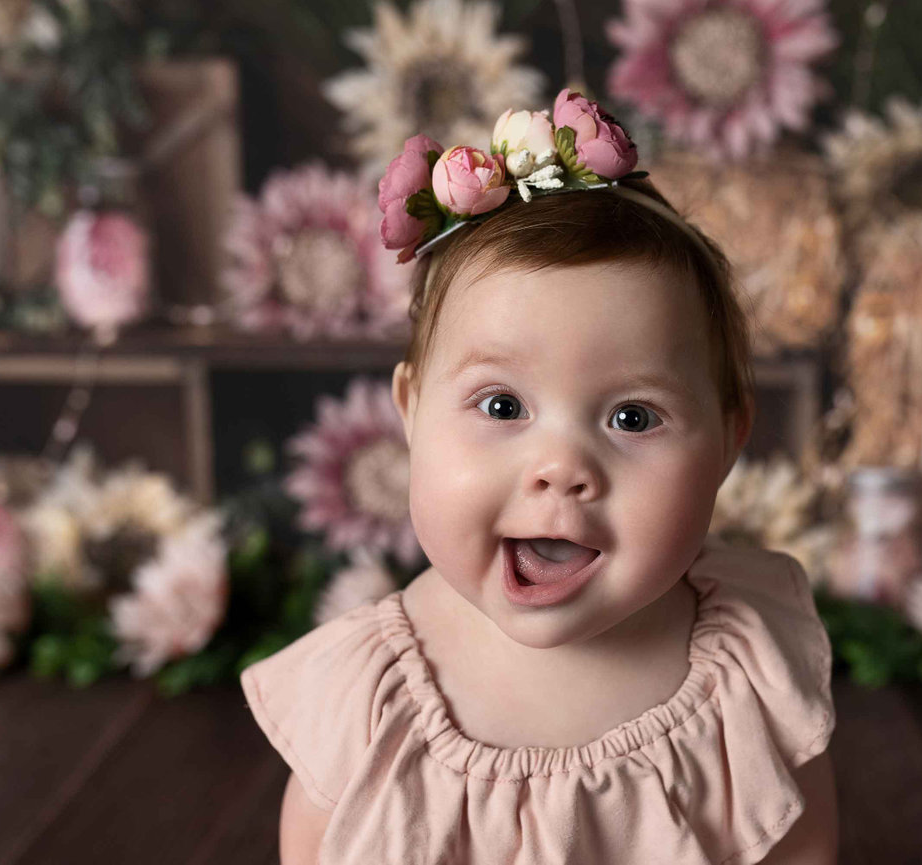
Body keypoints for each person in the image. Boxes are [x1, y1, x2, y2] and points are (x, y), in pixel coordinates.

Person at [241, 88, 838, 865]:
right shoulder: (371, 695)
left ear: (729, 441)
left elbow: (800, 844)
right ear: (411, 411)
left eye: (632, 417)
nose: (561, 468)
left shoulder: (745, 681)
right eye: (501, 404)